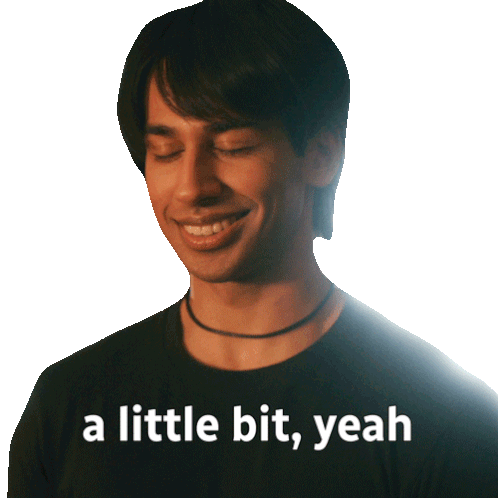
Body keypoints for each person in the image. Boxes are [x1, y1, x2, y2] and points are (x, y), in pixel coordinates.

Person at [9, 0, 497, 496]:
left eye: (233, 146)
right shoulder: (69, 403)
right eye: (166, 151)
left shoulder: (443, 422)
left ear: (322, 156)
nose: (191, 188)